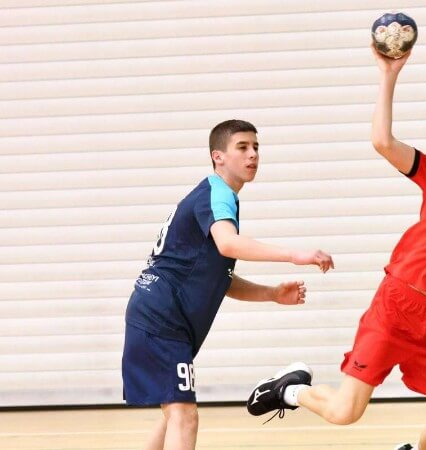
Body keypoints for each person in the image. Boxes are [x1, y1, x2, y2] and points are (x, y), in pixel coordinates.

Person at [245, 47, 426, 450]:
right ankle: (290, 390)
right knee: (345, 412)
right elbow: (382, 141)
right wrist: (388, 74)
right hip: (396, 305)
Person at [121, 119, 335, 450]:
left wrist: (271, 294)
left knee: (174, 413)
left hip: (160, 315)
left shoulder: (216, 196)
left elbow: (220, 278)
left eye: (256, 147)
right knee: (184, 415)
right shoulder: (216, 193)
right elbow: (229, 244)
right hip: (161, 317)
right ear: (218, 156)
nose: (253, 155)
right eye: (242, 147)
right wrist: (295, 255)